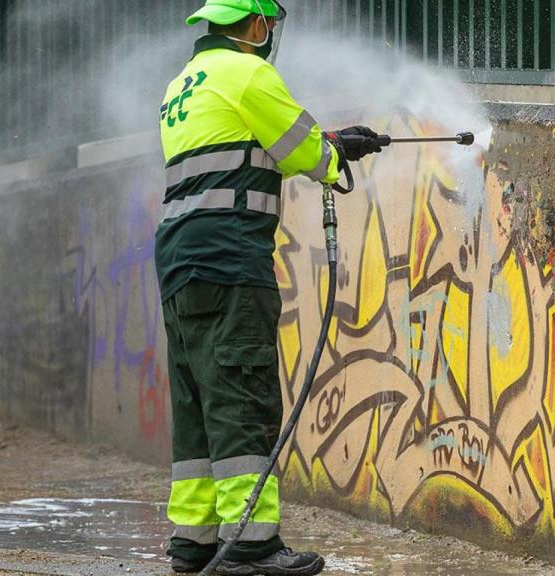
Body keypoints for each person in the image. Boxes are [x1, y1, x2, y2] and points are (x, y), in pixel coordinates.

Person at [155, 1, 382, 574]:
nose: (272, 36)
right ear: (256, 25)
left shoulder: (182, 85)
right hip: (230, 257)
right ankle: (251, 544)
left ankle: (195, 540)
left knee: (199, 395)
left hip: (180, 259)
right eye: (271, 26)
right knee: (242, 391)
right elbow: (304, 152)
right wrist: (332, 154)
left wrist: (330, 139)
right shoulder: (249, 71)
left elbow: (238, 149)